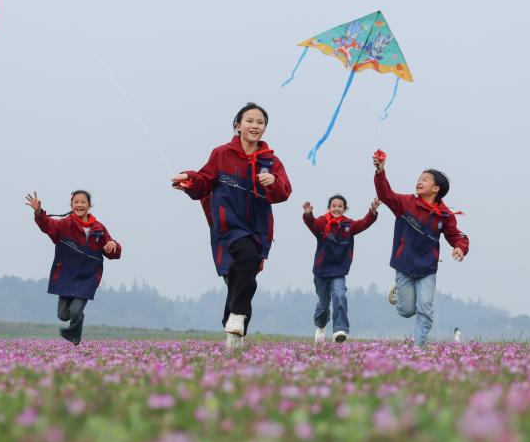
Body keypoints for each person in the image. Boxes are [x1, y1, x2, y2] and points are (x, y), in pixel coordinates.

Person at [171, 103, 291, 349]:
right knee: (245, 261)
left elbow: (284, 192)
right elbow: (204, 180)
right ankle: (236, 317)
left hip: (258, 229)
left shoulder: (271, 161)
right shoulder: (221, 154)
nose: (255, 126)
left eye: (260, 122)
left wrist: (273, 181)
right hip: (228, 227)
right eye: (250, 121)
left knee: (244, 280)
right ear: (238, 125)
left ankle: (234, 332)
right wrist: (188, 180)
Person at [372, 150, 468, 346]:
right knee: (406, 310)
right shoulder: (405, 203)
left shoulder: (445, 215)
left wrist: (460, 248)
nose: (419, 182)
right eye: (419, 179)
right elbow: (385, 194)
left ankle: (418, 348)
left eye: (425, 180)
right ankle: (400, 292)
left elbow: (457, 236)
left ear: (436, 189)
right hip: (404, 264)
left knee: (425, 307)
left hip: (427, 269)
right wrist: (380, 171)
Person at [25, 190, 121, 345]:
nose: (79, 205)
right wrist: (38, 212)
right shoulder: (65, 224)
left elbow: (112, 252)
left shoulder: (99, 228)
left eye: (83, 202)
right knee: (63, 315)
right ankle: (78, 322)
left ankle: (74, 335)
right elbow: (48, 225)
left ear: (89, 205)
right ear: (71, 205)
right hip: (66, 275)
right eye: (76, 202)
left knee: (75, 310)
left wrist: (114, 244)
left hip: (87, 278)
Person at [301, 195, 379, 342]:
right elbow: (312, 224)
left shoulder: (348, 225)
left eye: (340, 206)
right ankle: (321, 325)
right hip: (321, 270)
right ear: (329, 208)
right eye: (334, 206)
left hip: (339, 271)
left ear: (344, 209)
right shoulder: (322, 223)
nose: (336, 208)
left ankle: (339, 330)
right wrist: (308, 214)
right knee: (323, 304)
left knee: (339, 296)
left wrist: (372, 211)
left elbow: (364, 223)